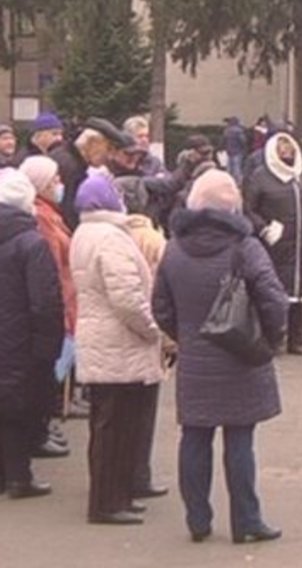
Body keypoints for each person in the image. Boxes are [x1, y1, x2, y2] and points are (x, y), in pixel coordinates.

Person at [153, 170, 288, 544]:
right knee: (240, 439)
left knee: (194, 436)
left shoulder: (174, 248)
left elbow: (160, 306)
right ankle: (246, 520)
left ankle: (198, 519)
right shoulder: (245, 247)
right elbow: (274, 300)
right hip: (242, 355)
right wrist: (269, 339)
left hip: (196, 358)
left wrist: (184, 336)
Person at [69, 175, 163, 525]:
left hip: (100, 340)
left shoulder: (86, 233)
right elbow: (127, 299)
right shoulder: (110, 239)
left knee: (108, 425)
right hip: (119, 343)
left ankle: (115, 496)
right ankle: (108, 502)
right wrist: (152, 330)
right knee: (116, 427)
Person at [0, 169, 65, 499]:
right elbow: (44, 300)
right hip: (20, 337)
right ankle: (19, 477)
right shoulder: (31, 242)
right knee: (18, 407)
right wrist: (49, 344)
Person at [113, 175, 171, 500]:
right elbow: (164, 288)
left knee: (112, 412)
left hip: (111, 335)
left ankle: (117, 476)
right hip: (144, 329)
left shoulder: (110, 235)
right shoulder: (152, 238)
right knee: (141, 412)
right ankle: (138, 475)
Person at [19, 156, 77, 457]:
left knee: (52, 373)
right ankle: (37, 431)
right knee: (47, 374)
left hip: (66, 301)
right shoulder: (41, 217)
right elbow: (52, 264)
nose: (59, 185)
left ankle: (42, 427)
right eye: (54, 180)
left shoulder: (50, 212)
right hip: (59, 302)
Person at [244, 132, 302, 355]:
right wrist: (264, 228)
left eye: (290, 148)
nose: (287, 152)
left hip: (299, 242)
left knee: (299, 291)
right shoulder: (260, 177)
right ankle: (273, 338)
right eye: (281, 148)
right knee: (273, 291)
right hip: (274, 244)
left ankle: (297, 337)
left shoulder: (300, 176)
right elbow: (248, 209)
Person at [51, 117, 132, 230]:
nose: (110, 156)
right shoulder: (72, 169)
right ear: (93, 143)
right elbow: (69, 216)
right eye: (108, 148)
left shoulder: (65, 157)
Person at [221, 116, 248, 184]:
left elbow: (224, 141)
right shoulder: (239, 130)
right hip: (238, 151)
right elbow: (243, 141)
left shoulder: (227, 131)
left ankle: (228, 181)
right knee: (237, 168)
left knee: (229, 168)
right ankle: (239, 182)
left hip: (229, 151)